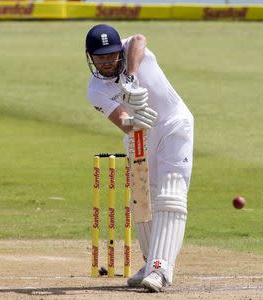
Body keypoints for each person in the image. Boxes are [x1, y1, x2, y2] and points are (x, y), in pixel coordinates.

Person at [85, 24, 194, 292]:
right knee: (143, 199)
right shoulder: (95, 90)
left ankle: (161, 268)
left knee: (170, 195)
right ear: (90, 57)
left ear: (118, 51)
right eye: (100, 58)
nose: (107, 62)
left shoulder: (133, 51)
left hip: (173, 125)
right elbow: (122, 121)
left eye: (111, 55)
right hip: (140, 135)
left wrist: (131, 77)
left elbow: (139, 38)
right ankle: (150, 262)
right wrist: (132, 121)